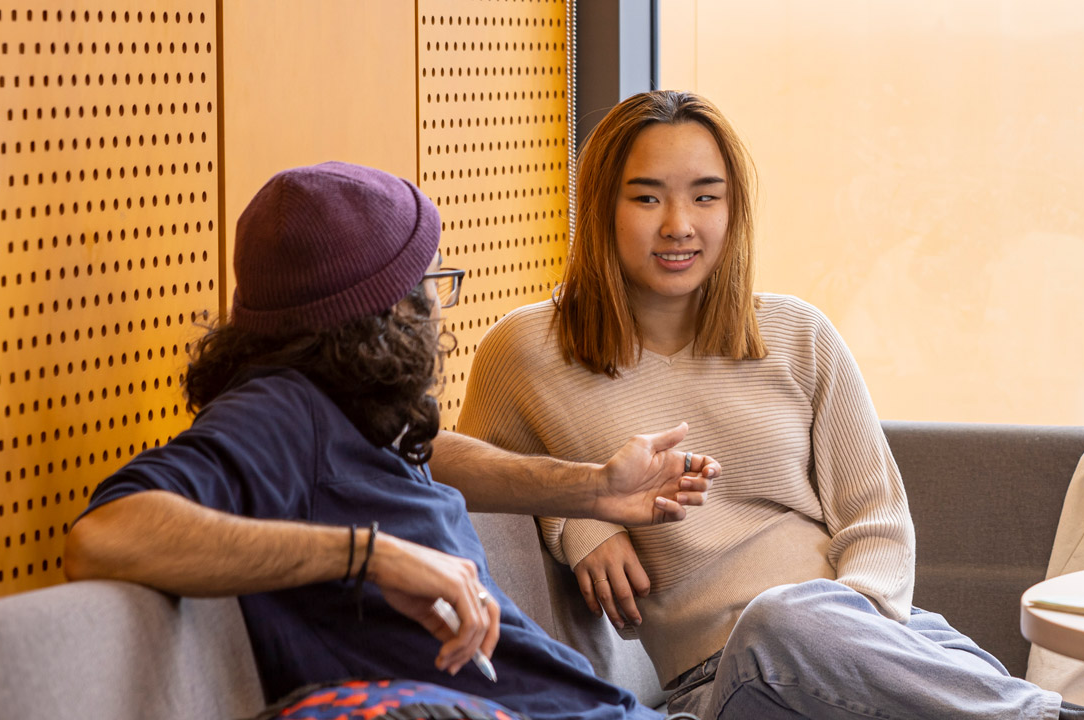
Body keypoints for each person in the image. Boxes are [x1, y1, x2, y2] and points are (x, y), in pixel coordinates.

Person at [456, 90, 1084, 720]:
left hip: (890, 648)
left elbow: (879, 522)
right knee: (776, 623)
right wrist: (577, 524)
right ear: (601, 205)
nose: (679, 225)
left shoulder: (797, 335)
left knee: (796, 620)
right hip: (721, 681)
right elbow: (464, 488)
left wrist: (849, 632)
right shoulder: (526, 352)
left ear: (733, 208)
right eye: (646, 198)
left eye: (705, 197)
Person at [63, 161, 715, 720]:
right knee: (789, 632)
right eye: (429, 284)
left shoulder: (346, 411)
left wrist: (595, 488)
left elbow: (428, 451)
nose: (438, 308)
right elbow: (104, 534)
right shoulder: (280, 412)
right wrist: (371, 555)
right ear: (380, 313)